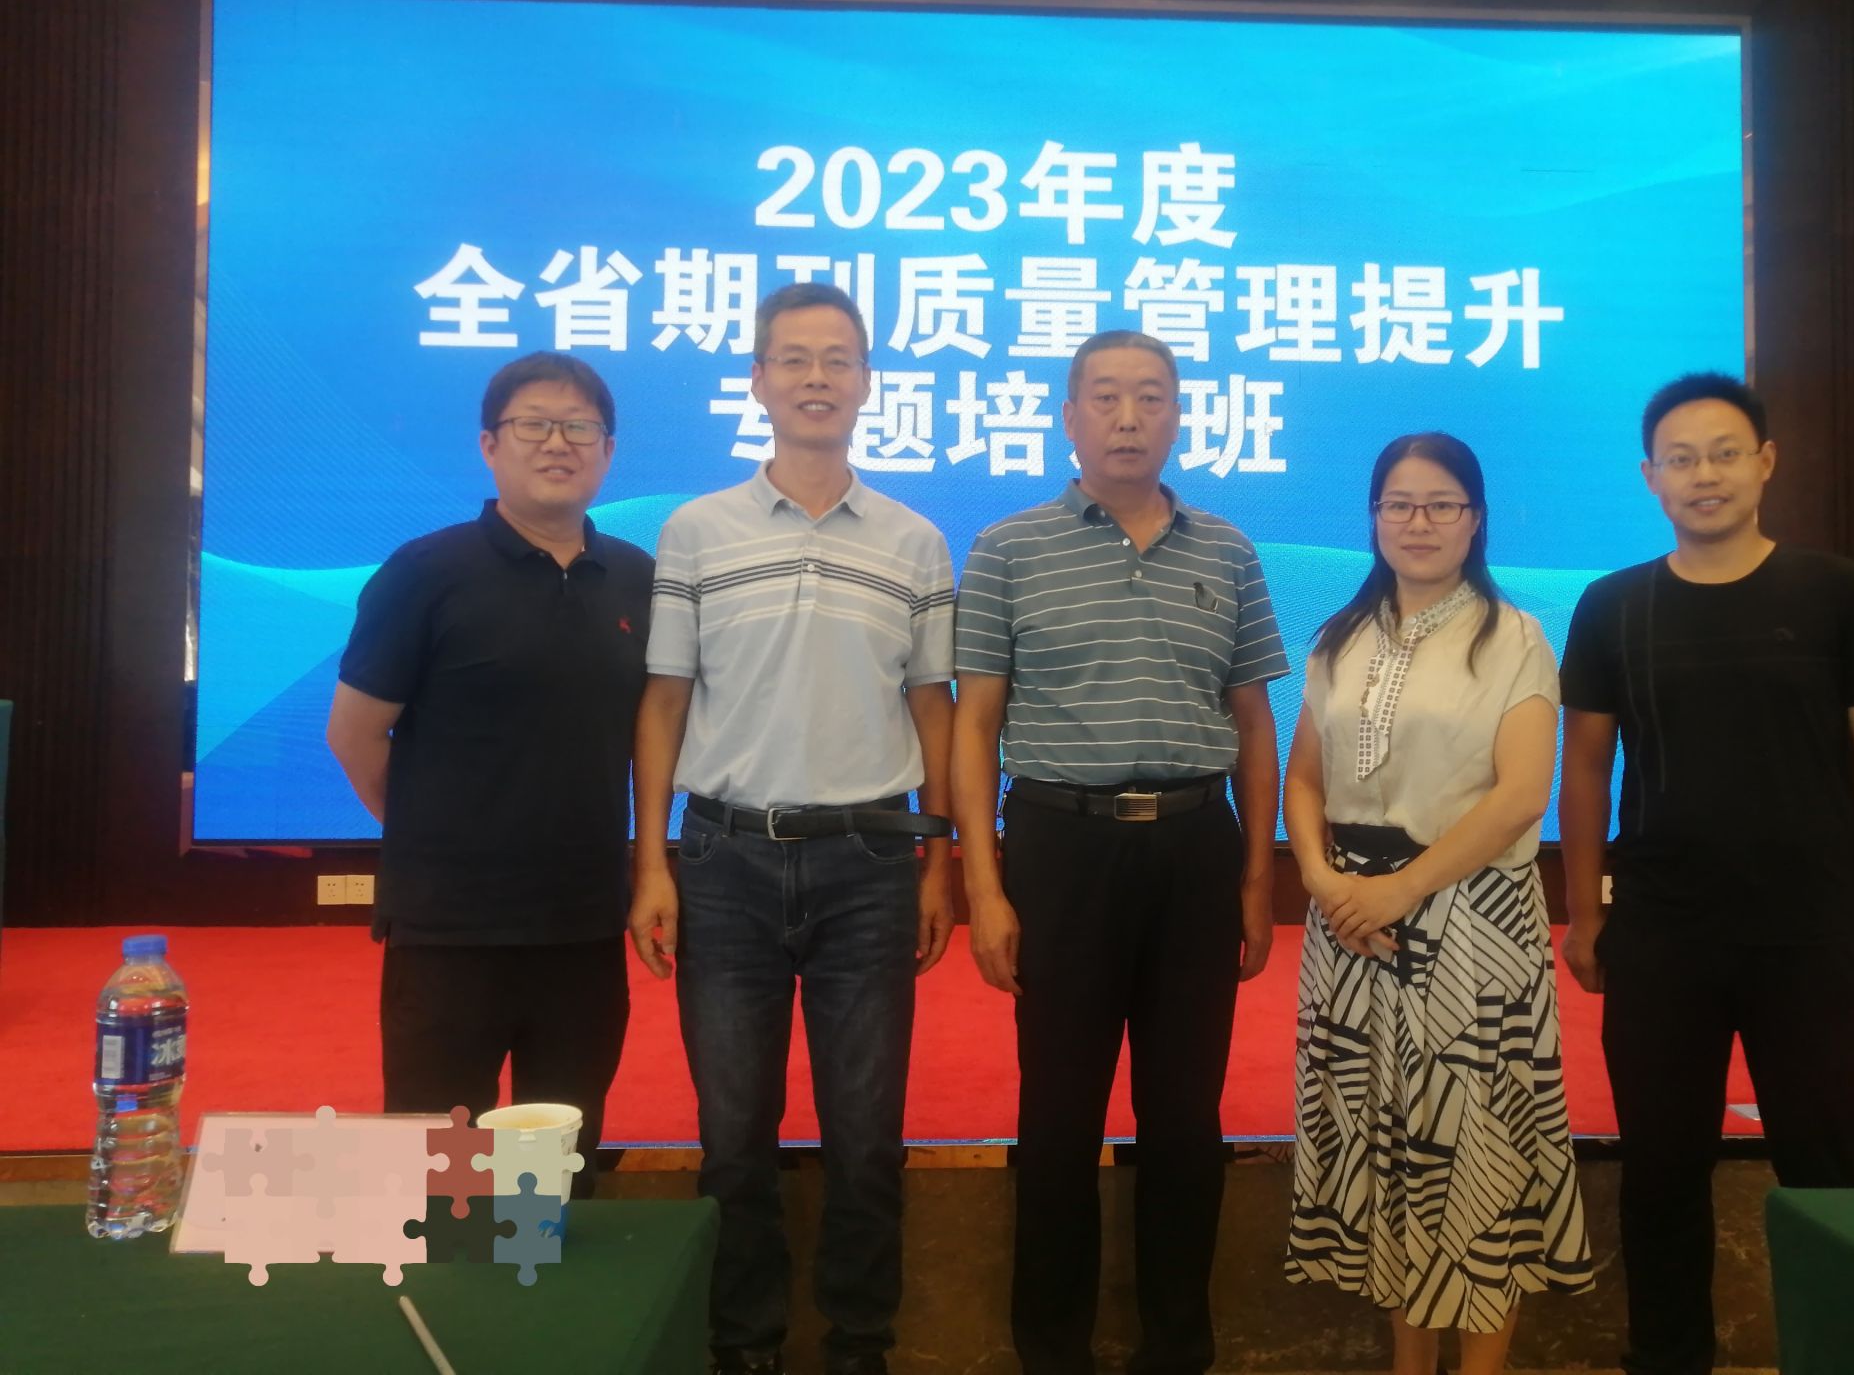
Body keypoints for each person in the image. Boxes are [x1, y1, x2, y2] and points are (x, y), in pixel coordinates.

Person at [1557, 371, 1854, 1375]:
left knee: (1828, 1170)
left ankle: (1843, 1354)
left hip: (1810, 934)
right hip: (1661, 938)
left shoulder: (1837, 593)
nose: (1704, 474)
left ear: (1765, 462)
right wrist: (1584, 914)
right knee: (1660, 1173)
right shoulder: (1611, 605)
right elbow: (1584, 769)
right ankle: (1666, 1356)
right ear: (1649, 477)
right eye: (1680, 459)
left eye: (1724, 453)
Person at [628, 282, 957, 1375]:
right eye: (794, 358)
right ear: (759, 379)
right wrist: (652, 863)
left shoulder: (915, 542)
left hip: (871, 864)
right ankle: (744, 1346)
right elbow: (664, 702)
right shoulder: (695, 530)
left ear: (866, 382)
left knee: (866, 1140)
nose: (817, 378)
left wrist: (940, 859)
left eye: (838, 359)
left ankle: (860, 1345)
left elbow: (934, 710)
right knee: (732, 1141)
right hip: (722, 861)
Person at [952, 329, 1289, 1375]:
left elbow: (1253, 723)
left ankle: (1176, 1347)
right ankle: (1051, 1349)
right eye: (1105, 396)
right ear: (1069, 416)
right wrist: (983, 885)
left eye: (1150, 396)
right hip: (1059, 846)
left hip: (1194, 847)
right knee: (1057, 1114)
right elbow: (974, 725)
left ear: (1180, 415)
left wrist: (1256, 875)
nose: (1129, 416)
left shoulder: (1227, 550)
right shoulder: (1007, 548)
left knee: (1184, 1118)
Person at [1282, 432, 1593, 1375]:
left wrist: (1400, 890)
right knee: (1388, 1158)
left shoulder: (1514, 638)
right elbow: (1305, 777)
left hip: (1469, 926)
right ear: (1374, 518)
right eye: (1399, 505)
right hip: (1350, 929)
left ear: (1475, 519)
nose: (1418, 523)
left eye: (1441, 504)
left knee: (1475, 1156)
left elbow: (1522, 795)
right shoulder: (1339, 637)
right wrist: (1321, 879)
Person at [326, 351, 652, 1194]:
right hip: (450, 931)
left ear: (608, 451)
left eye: (579, 427)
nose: (558, 442)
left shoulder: (639, 579)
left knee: (559, 1180)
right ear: (489, 445)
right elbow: (355, 734)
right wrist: (438, 832)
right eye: (533, 424)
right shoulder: (425, 572)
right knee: (441, 1181)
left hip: (583, 928)